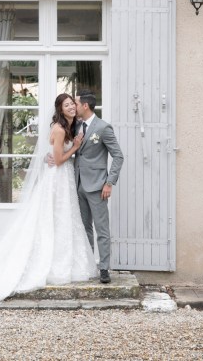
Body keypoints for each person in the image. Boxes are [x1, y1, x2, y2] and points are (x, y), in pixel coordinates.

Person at [0, 94, 98, 308]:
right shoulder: (59, 129)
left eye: (72, 104)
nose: (70, 107)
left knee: (65, 219)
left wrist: (67, 149)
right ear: (60, 109)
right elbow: (58, 160)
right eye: (66, 105)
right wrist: (75, 147)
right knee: (52, 218)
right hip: (57, 178)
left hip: (64, 179)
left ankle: (66, 263)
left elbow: (53, 155)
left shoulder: (73, 125)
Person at [73, 90, 124, 284]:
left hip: (97, 186)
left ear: (85, 105)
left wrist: (109, 182)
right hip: (78, 184)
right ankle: (88, 265)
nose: (74, 107)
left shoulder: (103, 128)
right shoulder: (76, 126)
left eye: (76, 103)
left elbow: (118, 156)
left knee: (101, 229)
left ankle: (104, 268)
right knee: (84, 228)